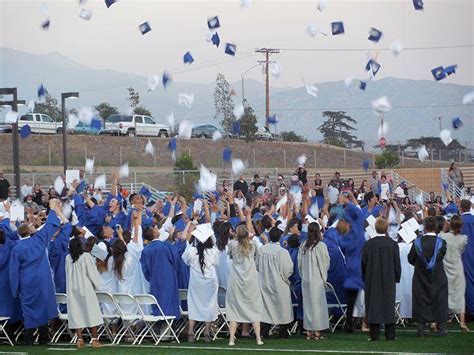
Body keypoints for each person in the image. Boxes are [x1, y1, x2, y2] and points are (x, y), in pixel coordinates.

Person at [9, 199, 63, 345]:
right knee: (43, 305)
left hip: (27, 280)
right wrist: (52, 209)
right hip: (42, 279)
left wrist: (15, 289)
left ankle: (29, 338)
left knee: (29, 308)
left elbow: (13, 271)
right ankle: (44, 338)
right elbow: (51, 225)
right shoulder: (39, 240)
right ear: (30, 230)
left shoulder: (17, 248)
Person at [361, 218, 401, 341]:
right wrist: (396, 277)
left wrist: (365, 278)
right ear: (386, 228)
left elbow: (363, 263)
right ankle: (390, 335)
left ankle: (374, 335)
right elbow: (397, 264)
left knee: (373, 305)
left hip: (372, 279)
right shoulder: (392, 244)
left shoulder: (368, 245)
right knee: (388, 304)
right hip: (389, 279)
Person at [408, 216, 448, 337]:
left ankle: (421, 330)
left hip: (421, 276)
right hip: (437, 275)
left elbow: (411, 259)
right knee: (440, 300)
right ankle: (441, 329)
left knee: (420, 300)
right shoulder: (441, 243)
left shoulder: (417, 242)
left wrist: (420, 265)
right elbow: (441, 256)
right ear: (436, 227)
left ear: (424, 228)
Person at [226, 223, 264, 346]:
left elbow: (230, 253)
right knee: (254, 307)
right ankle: (258, 338)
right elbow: (259, 256)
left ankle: (232, 339)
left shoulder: (232, 244)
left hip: (236, 280)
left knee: (234, 308)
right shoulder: (253, 245)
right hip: (251, 280)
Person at [182, 223, 219, 342]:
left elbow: (185, 255)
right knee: (210, 305)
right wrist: (209, 233)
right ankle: (207, 332)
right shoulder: (213, 251)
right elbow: (216, 257)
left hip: (196, 282)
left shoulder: (192, 251)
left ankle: (191, 332)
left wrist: (194, 234)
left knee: (193, 304)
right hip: (210, 282)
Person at [256, 227, 294, 339]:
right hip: (279, 282)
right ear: (280, 237)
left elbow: (257, 265)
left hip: (265, 281)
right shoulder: (282, 252)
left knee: (266, 306)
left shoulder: (262, 250)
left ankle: (265, 330)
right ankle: (283, 332)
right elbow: (288, 269)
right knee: (283, 306)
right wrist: (285, 278)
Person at [66, 237, 103, 349]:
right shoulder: (86, 256)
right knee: (92, 313)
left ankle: (80, 339)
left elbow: (67, 274)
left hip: (73, 288)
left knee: (77, 313)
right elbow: (92, 273)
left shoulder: (68, 258)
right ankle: (94, 339)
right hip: (86, 288)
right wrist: (98, 286)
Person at [140, 223, 180, 319]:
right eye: (154, 228)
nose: (156, 228)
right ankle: (167, 331)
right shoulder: (165, 246)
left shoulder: (146, 250)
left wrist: (153, 278)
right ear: (154, 234)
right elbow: (176, 259)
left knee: (158, 305)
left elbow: (145, 269)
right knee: (168, 307)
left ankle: (159, 327)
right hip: (168, 280)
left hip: (155, 282)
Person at [298, 222, 330, 339]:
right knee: (317, 305)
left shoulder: (303, 246)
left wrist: (303, 275)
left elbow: (299, 264)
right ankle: (317, 331)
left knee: (308, 305)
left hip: (306, 279)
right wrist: (323, 277)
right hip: (317, 279)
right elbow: (325, 263)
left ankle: (309, 330)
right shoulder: (320, 246)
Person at [439, 215, 469, 332]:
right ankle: (462, 322)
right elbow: (461, 251)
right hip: (457, 267)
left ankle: (436, 322)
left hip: (446, 266)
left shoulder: (443, 236)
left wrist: (444, 228)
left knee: (444, 294)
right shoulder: (463, 238)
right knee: (460, 294)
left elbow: (439, 236)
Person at [0, 202, 22, 338]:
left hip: (4, 282)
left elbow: (7, 231)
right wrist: (8, 215)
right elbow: (14, 234)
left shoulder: (9, 245)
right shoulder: (12, 245)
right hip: (8, 282)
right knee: (9, 308)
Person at [459, 199, 474, 316]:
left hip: (465, 252)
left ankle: (471, 310)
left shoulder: (460, 221)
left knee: (468, 281)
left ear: (461, 208)